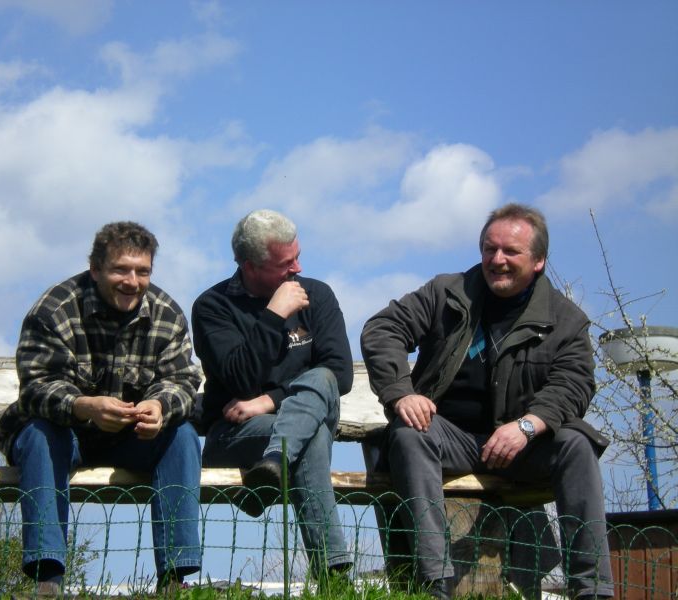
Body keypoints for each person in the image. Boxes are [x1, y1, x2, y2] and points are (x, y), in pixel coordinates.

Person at [360, 204, 613, 600]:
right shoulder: (446, 293)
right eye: (489, 249)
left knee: (577, 444)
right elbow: (383, 328)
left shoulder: (565, 321)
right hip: (448, 437)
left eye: (511, 251)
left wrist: (528, 426)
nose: (498, 260)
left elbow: (574, 384)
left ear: (539, 261)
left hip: (521, 447)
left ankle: (592, 589)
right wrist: (401, 392)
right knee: (410, 434)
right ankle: (434, 583)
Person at [0, 221, 202, 596]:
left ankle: (176, 579)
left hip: (131, 439)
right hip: (64, 434)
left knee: (183, 435)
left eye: (142, 271)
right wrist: (84, 406)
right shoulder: (54, 309)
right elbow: (35, 387)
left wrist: (159, 406)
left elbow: (184, 381)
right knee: (39, 434)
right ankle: (47, 579)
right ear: (95, 269)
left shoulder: (167, 314)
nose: (132, 281)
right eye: (120, 270)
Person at [191, 209, 353, 578]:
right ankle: (333, 577)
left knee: (322, 379)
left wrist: (269, 401)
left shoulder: (318, 294)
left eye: (298, 256)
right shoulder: (212, 306)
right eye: (285, 264)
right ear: (249, 266)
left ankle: (273, 465)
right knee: (309, 435)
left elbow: (340, 375)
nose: (297, 268)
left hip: (289, 423)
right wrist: (274, 315)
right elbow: (239, 379)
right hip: (235, 435)